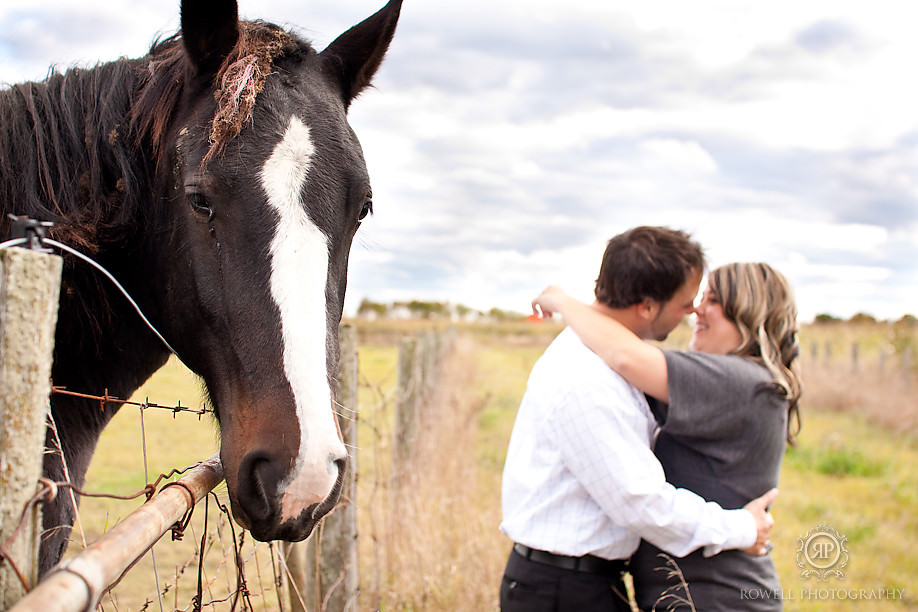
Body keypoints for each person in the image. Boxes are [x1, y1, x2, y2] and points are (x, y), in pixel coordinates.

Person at [500, 227, 778, 612]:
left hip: (580, 583)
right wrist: (741, 528)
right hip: (565, 592)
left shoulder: (607, 360)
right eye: (686, 301)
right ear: (647, 306)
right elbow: (641, 502)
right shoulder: (588, 374)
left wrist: (564, 300)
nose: (692, 311)